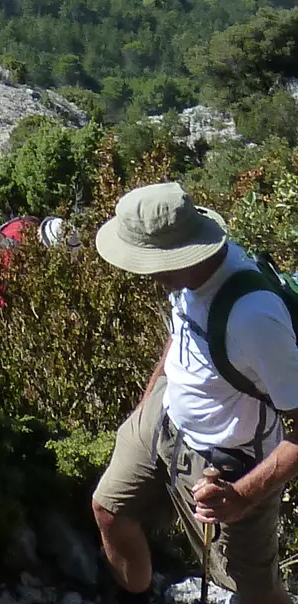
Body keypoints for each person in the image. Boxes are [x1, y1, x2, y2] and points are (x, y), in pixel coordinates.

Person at [92, 182, 298, 604]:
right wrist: (148, 403)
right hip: (164, 417)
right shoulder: (188, 277)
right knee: (109, 508)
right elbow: (182, 333)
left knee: (254, 592)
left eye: (151, 264)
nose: (146, 274)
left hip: (231, 460)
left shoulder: (254, 318)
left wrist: (241, 496)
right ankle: (139, 596)